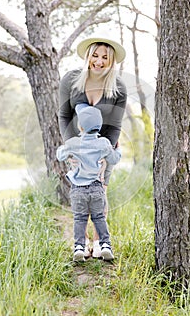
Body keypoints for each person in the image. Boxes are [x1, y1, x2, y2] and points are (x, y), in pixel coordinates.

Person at [58, 34, 127, 258]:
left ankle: (99, 244)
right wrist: (72, 150)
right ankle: (81, 243)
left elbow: (115, 124)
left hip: (104, 148)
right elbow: (64, 115)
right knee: (79, 194)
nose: (98, 61)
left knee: (100, 193)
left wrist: (105, 156)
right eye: (95, 55)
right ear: (88, 56)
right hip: (77, 147)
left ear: (111, 60)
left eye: (104, 57)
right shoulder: (71, 79)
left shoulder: (118, 88)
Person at [56, 105, 121, 262]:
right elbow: (114, 159)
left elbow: (60, 155)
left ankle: (79, 247)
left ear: (81, 126)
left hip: (78, 189)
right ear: (99, 126)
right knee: (99, 217)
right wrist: (118, 150)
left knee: (80, 218)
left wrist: (65, 149)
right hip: (97, 188)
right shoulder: (104, 143)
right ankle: (105, 245)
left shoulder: (73, 143)